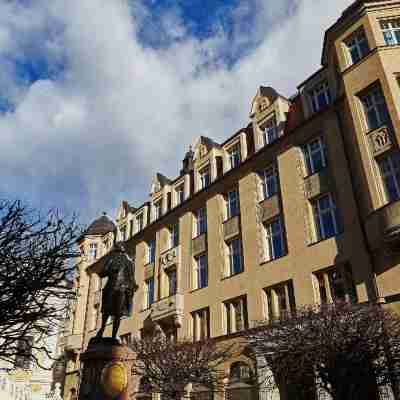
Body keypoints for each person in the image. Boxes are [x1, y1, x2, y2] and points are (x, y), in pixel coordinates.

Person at [95, 242, 137, 339]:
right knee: (107, 311)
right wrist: (111, 270)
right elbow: (101, 273)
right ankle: (102, 330)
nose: (119, 254)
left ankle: (113, 336)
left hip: (122, 289)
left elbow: (131, 277)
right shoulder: (111, 260)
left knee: (118, 313)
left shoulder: (129, 262)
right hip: (111, 287)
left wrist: (133, 286)